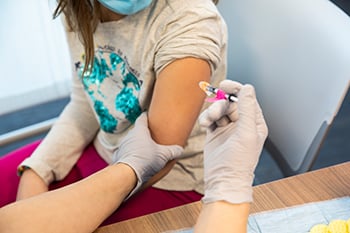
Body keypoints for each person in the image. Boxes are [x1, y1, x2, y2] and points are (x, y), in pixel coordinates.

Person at [0, 0, 227, 225]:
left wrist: (36, 214)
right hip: (105, 148)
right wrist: (38, 169)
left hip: (171, 179)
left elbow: (158, 155)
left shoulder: (188, 19)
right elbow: (87, 104)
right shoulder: (79, 7)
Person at [0, 80, 268, 233]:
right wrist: (228, 191)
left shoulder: (190, 22)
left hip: (161, 178)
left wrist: (35, 174)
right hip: (111, 154)